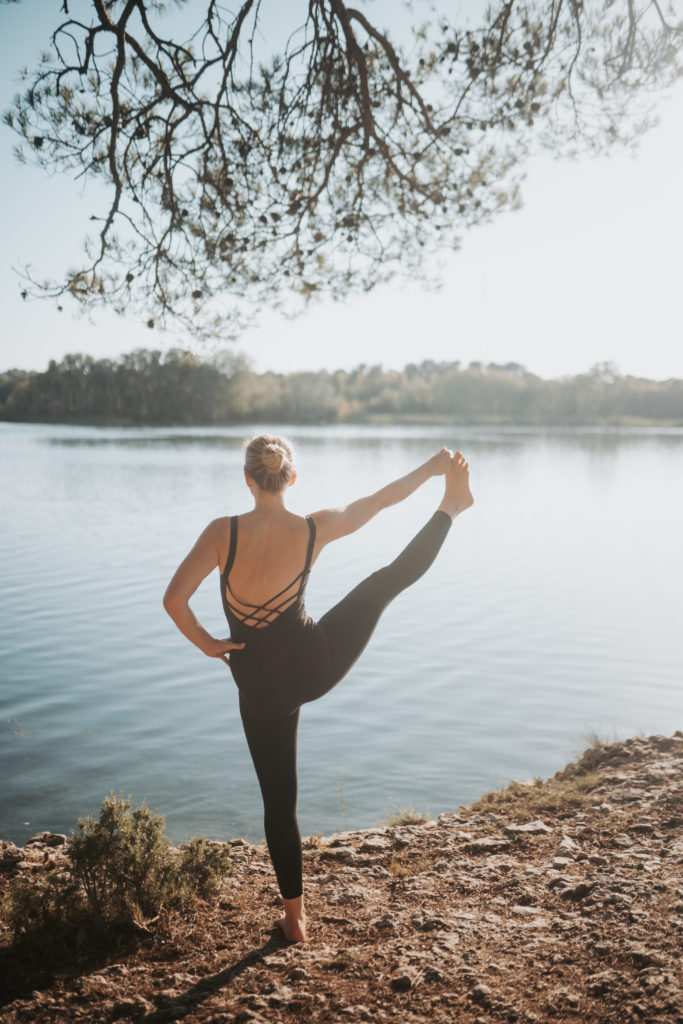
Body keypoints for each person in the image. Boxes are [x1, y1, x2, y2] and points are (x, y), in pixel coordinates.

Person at [163, 434, 473, 943]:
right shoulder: (313, 528)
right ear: (292, 478)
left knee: (278, 802)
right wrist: (432, 468)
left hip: (260, 686)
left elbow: (175, 600)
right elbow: (379, 500)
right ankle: (452, 508)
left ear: (247, 478)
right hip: (314, 665)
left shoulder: (223, 533)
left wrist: (209, 645)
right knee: (385, 581)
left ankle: (296, 919)